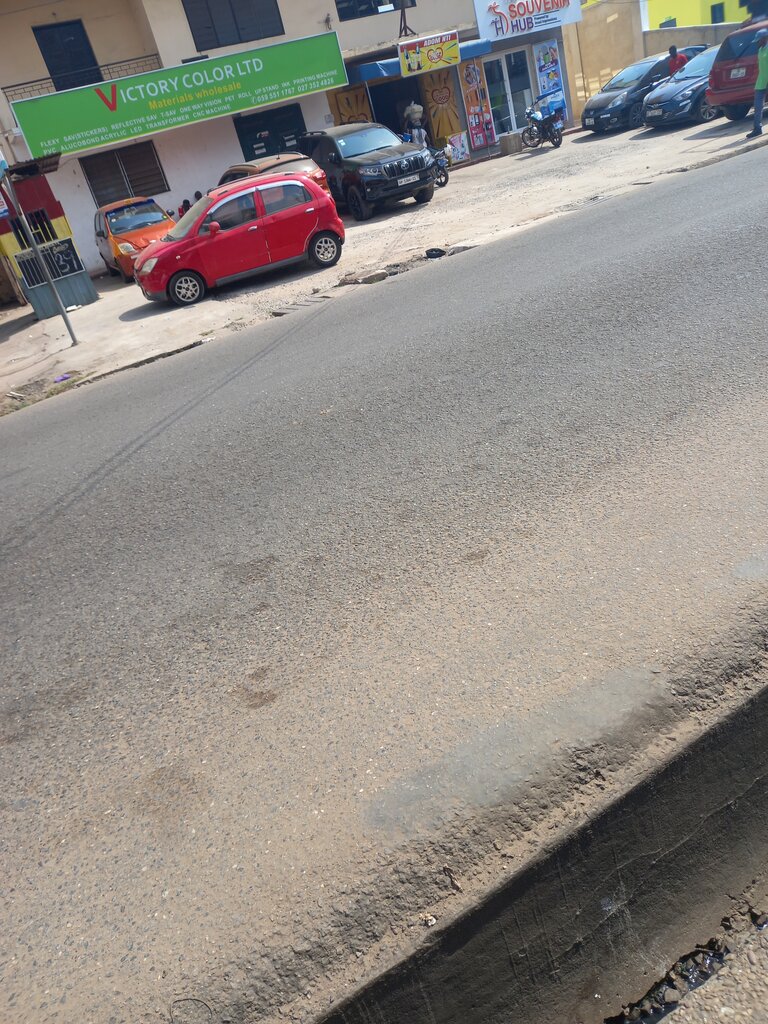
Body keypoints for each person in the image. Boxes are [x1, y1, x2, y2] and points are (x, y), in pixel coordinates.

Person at [747, 28, 768, 139]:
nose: (757, 43)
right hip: (761, 81)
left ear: (765, 38)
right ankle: (757, 128)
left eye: (758, 40)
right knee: (758, 106)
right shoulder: (760, 50)